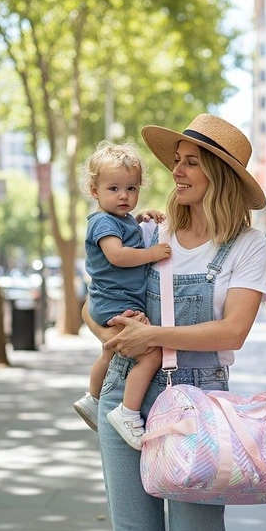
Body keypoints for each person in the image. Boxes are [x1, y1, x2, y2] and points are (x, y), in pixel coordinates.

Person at [81, 113, 266, 531]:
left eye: (191, 161)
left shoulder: (245, 247)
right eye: (177, 160)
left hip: (197, 406)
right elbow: (92, 303)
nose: (177, 171)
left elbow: (231, 331)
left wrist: (152, 334)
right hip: (127, 401)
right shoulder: (141, 232)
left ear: (218, 174)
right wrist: (113, 337)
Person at [73, 141, 171, 448]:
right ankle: (127, 412)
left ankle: (92, 397)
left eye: (131, 189)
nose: (124, 196)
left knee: (111, 348)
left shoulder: (121, 219)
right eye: (114, 189)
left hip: (114, 300)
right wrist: (152, 253)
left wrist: (141, 218)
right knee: (151, 353)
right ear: (94, 190)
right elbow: (117, 255)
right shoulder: (102, 222)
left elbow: (127, 234)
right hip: (113, 301)